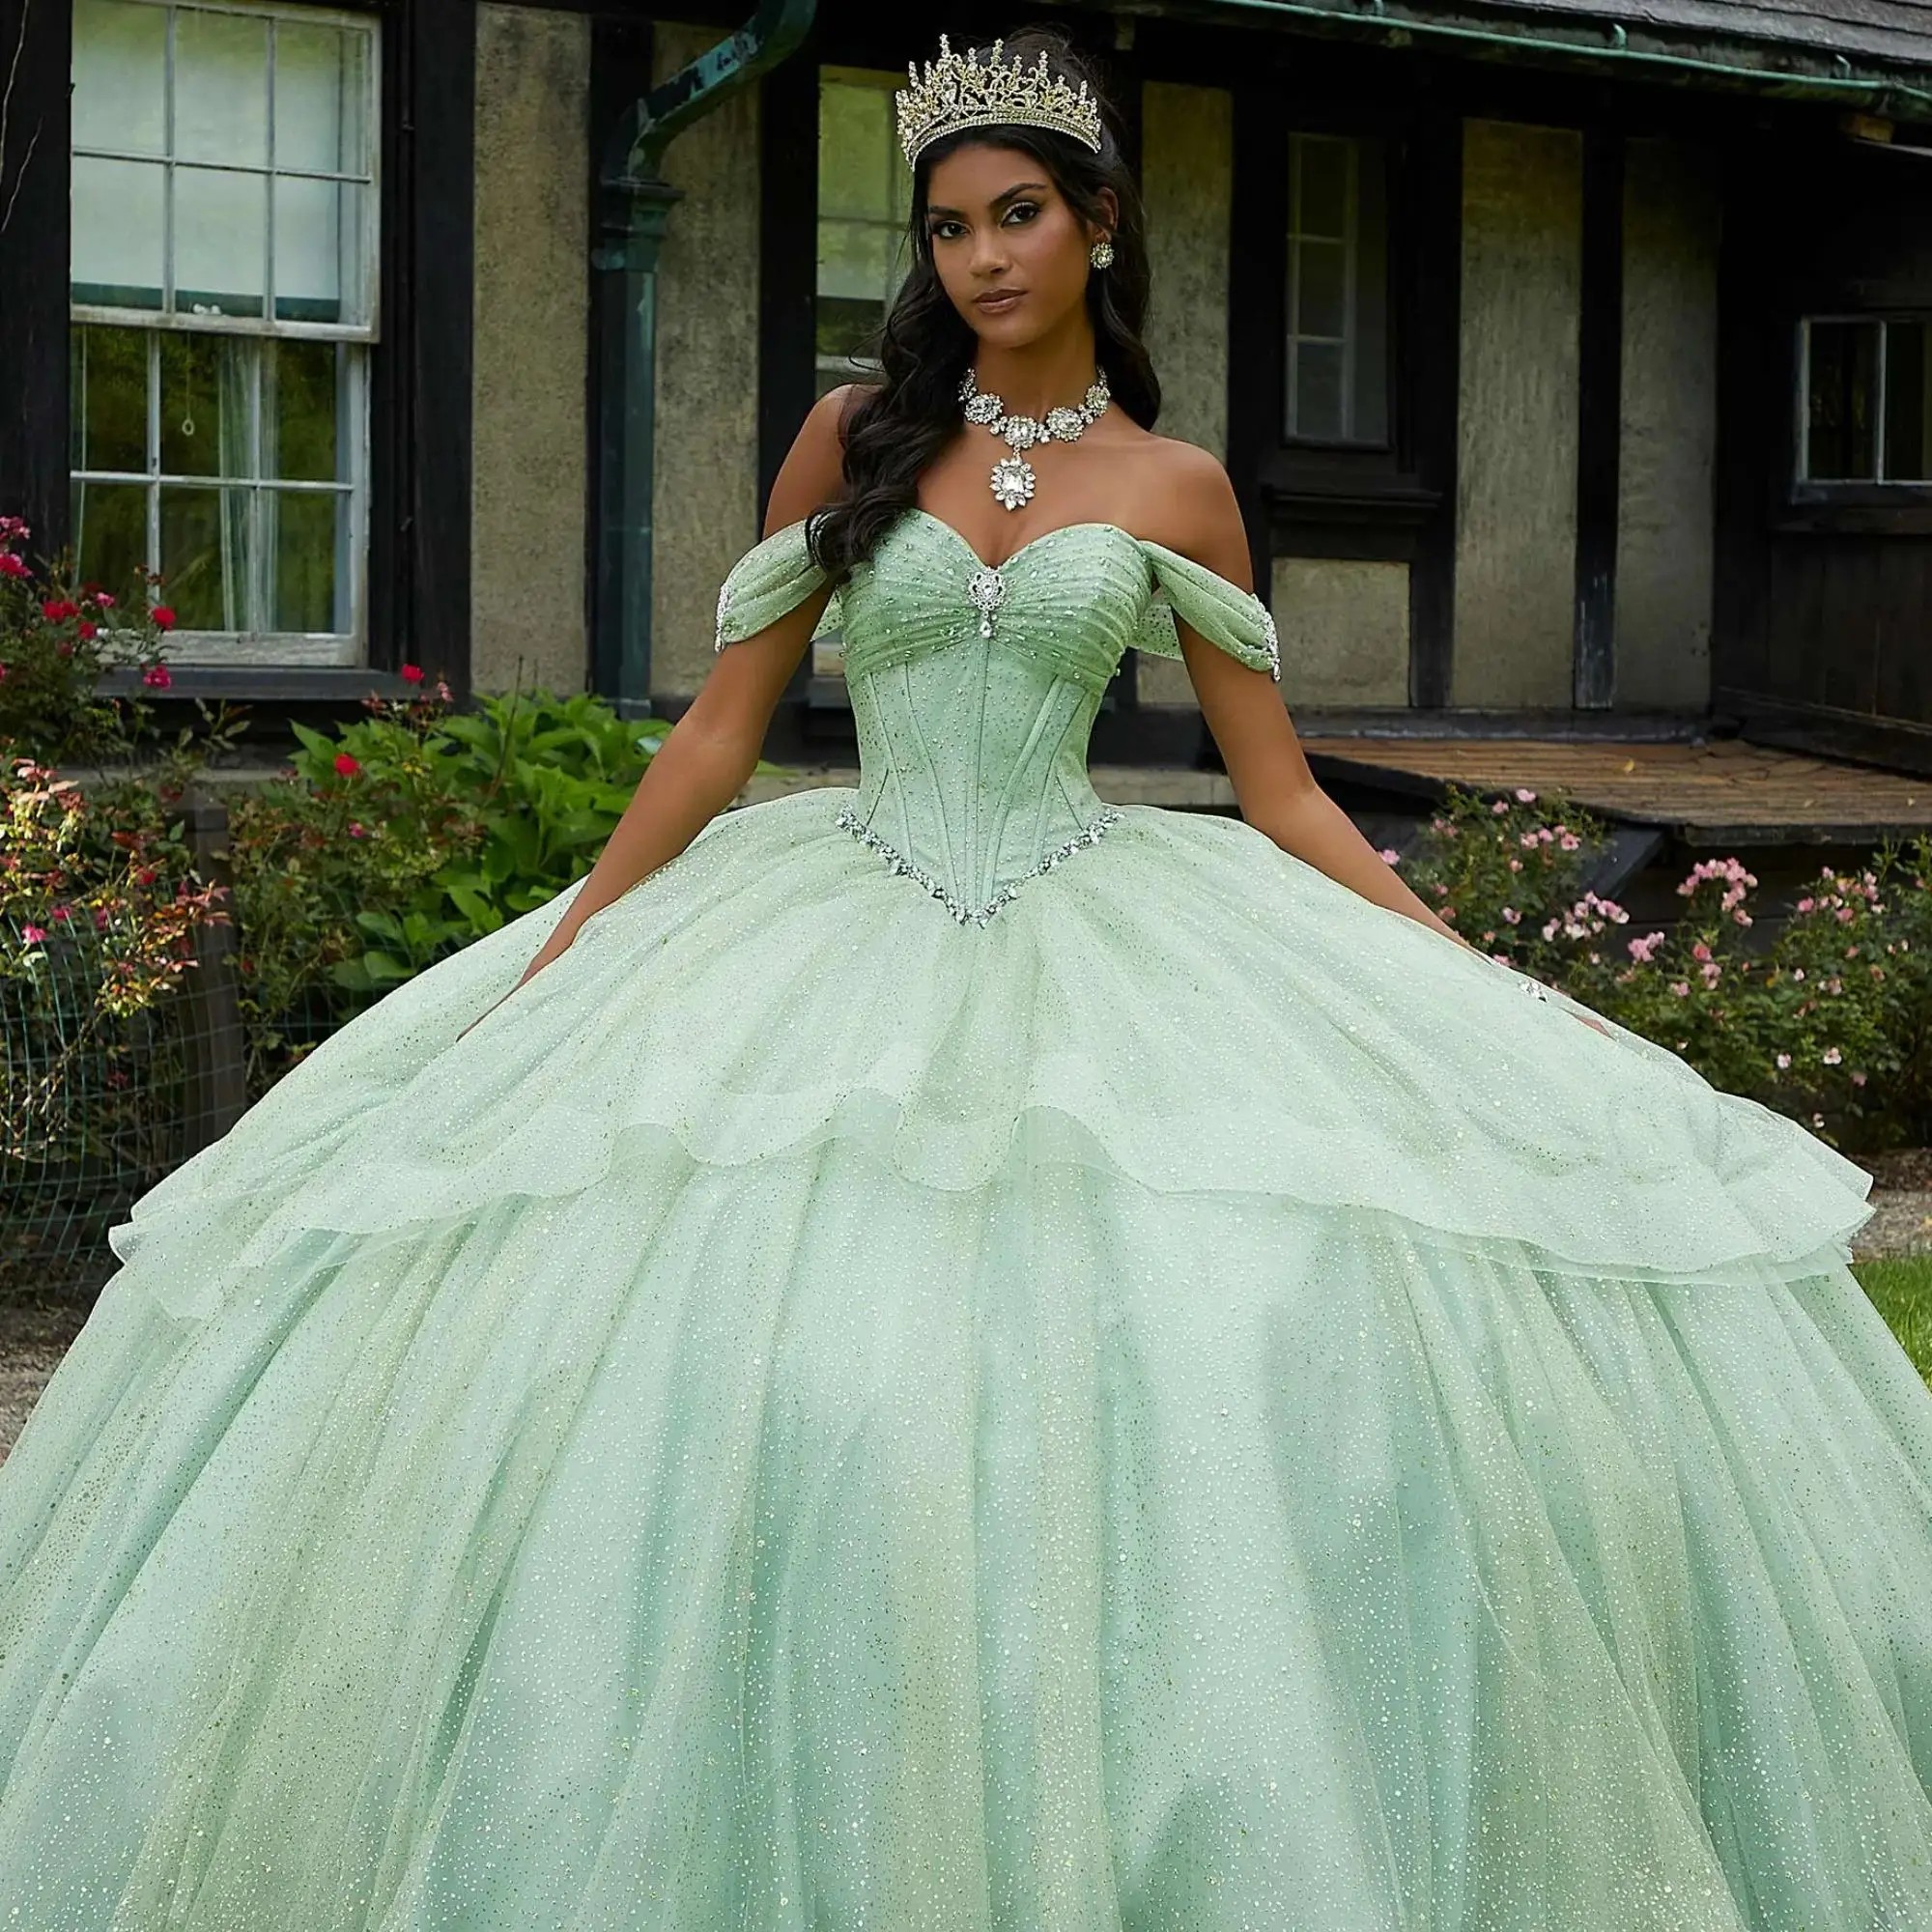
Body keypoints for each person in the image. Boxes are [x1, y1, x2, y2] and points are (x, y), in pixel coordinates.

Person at [0, 24, 1928, 1929]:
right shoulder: (856, 440)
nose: (980, 257)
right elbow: (714, 734)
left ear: (1096, 224)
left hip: (1098, 918)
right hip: (827, 911)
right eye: (944, 226)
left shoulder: (1177, 486)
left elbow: (1281, 793)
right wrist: (580, 932)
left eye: (1016, 214)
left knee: (1200, 1344)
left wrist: (1469, 969)